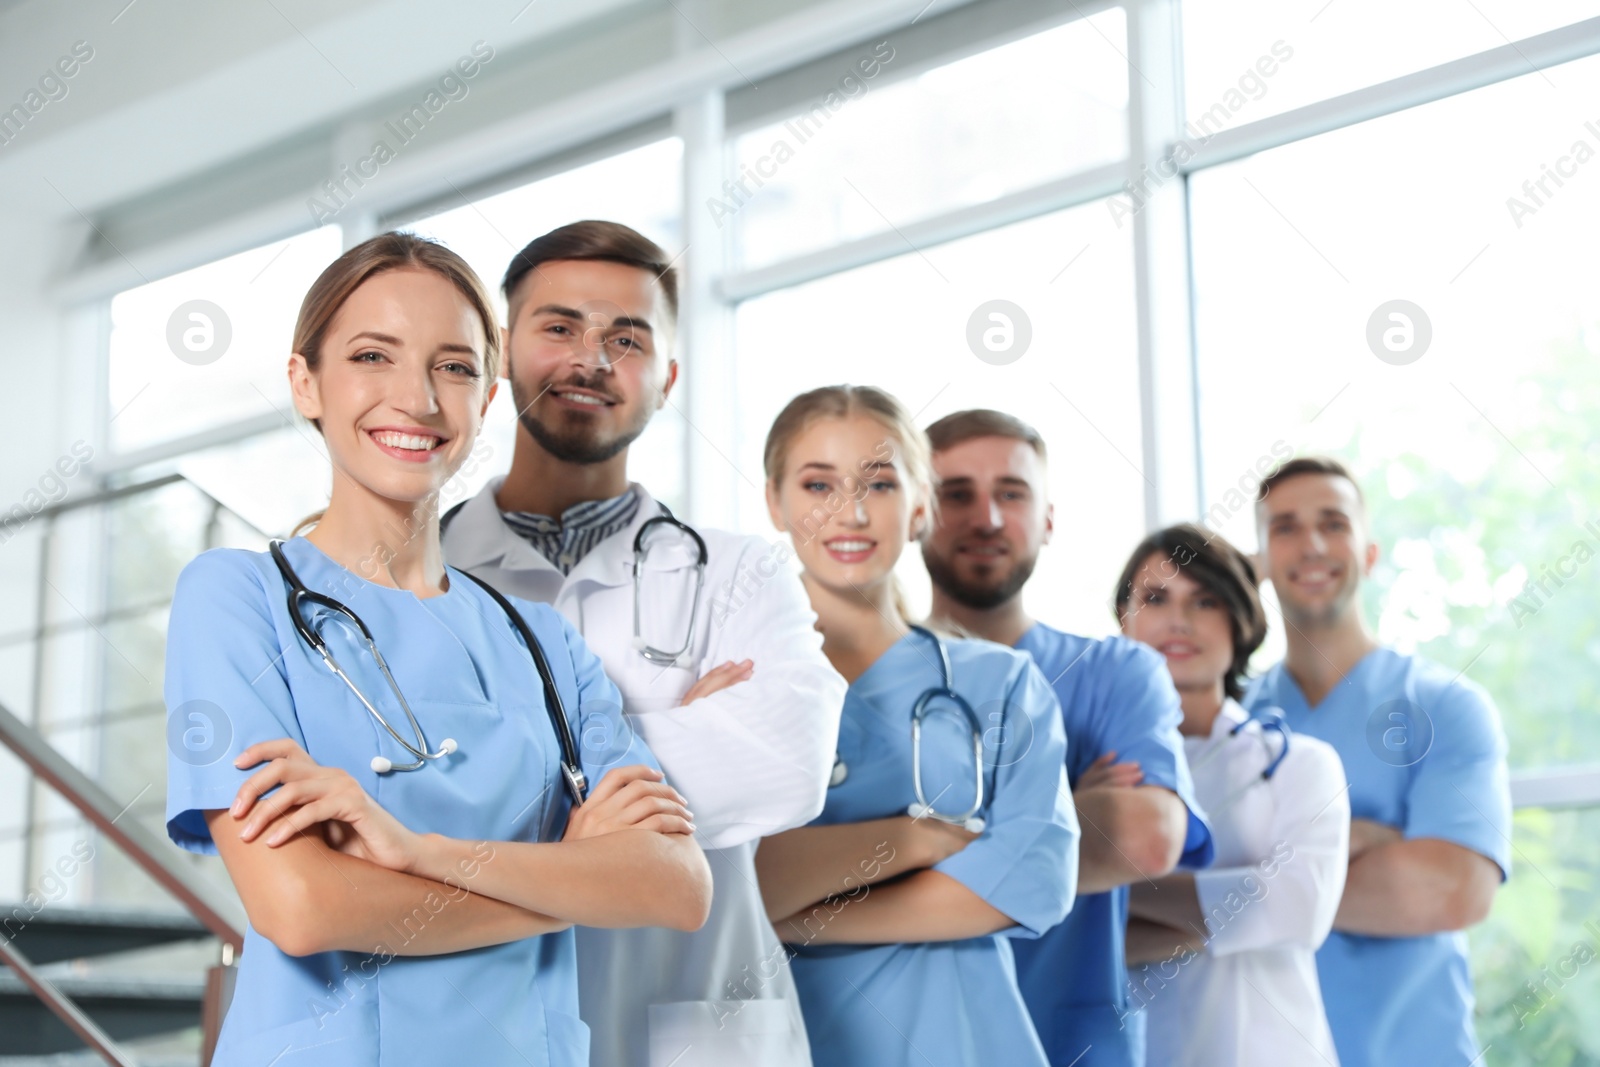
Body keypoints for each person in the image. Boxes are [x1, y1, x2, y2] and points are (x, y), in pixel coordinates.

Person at [163, 232, 712, 1066]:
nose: (416, 397)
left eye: (453, 366)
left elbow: (676, 884)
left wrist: (418, 854)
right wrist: (569, 881)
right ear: (305, 382)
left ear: (487, 398)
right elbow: (302, 905)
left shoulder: (541, 641)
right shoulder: (239, 598)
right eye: (373, 356)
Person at [438, 221, 846, 1067]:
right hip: (487, 1019)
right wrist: (665, 742)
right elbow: (398, 799)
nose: (590, 359)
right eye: (559, 328)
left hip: (702, 1019)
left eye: (626, 338)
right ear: (501, 349)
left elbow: (785, 767)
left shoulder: (741, 572)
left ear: (665, 376)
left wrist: (489, 765)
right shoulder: (422, 572)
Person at [753, 385, 1079, 1067]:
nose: (852, 511)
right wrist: (918, 837)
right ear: (774, 503)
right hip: (788, 1036)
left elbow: (1033, 877)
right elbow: (738, 879)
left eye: (879, 482)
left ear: (921, 506)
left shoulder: (999, 683)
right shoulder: (738, 684)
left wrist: (800, 918)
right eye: (818, 483)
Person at [918, 409, 1213, 1067]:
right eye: (956, 493)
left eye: (1012, 493)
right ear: (914, 509)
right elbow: (810, 878)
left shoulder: (1118, 670)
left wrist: (917, 838)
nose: (987, 517)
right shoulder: (859, 680)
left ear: (1048, 517)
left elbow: (1145, 837)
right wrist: (1062, 811)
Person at [1245, 456, 1511, 1067]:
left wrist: (1255, 876)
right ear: (1260, 562)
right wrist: (1360, 840)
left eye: (1333, 523)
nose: (1311, 544)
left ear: (1368, 552)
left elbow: (1455, 891)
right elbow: (1172, 892)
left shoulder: (1448, 707)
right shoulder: (1232, 721)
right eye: (1284, 527)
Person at [1114, 523, 1349, 1066]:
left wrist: (1114, 893)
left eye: (1205, 600)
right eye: (1155, 598)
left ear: (1240, 621)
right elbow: (1052, 927)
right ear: (1124, 621)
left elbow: (1298, 906)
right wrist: (1229, 912)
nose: (1179, 620)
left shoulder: (1301, 765)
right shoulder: (1087, 775)